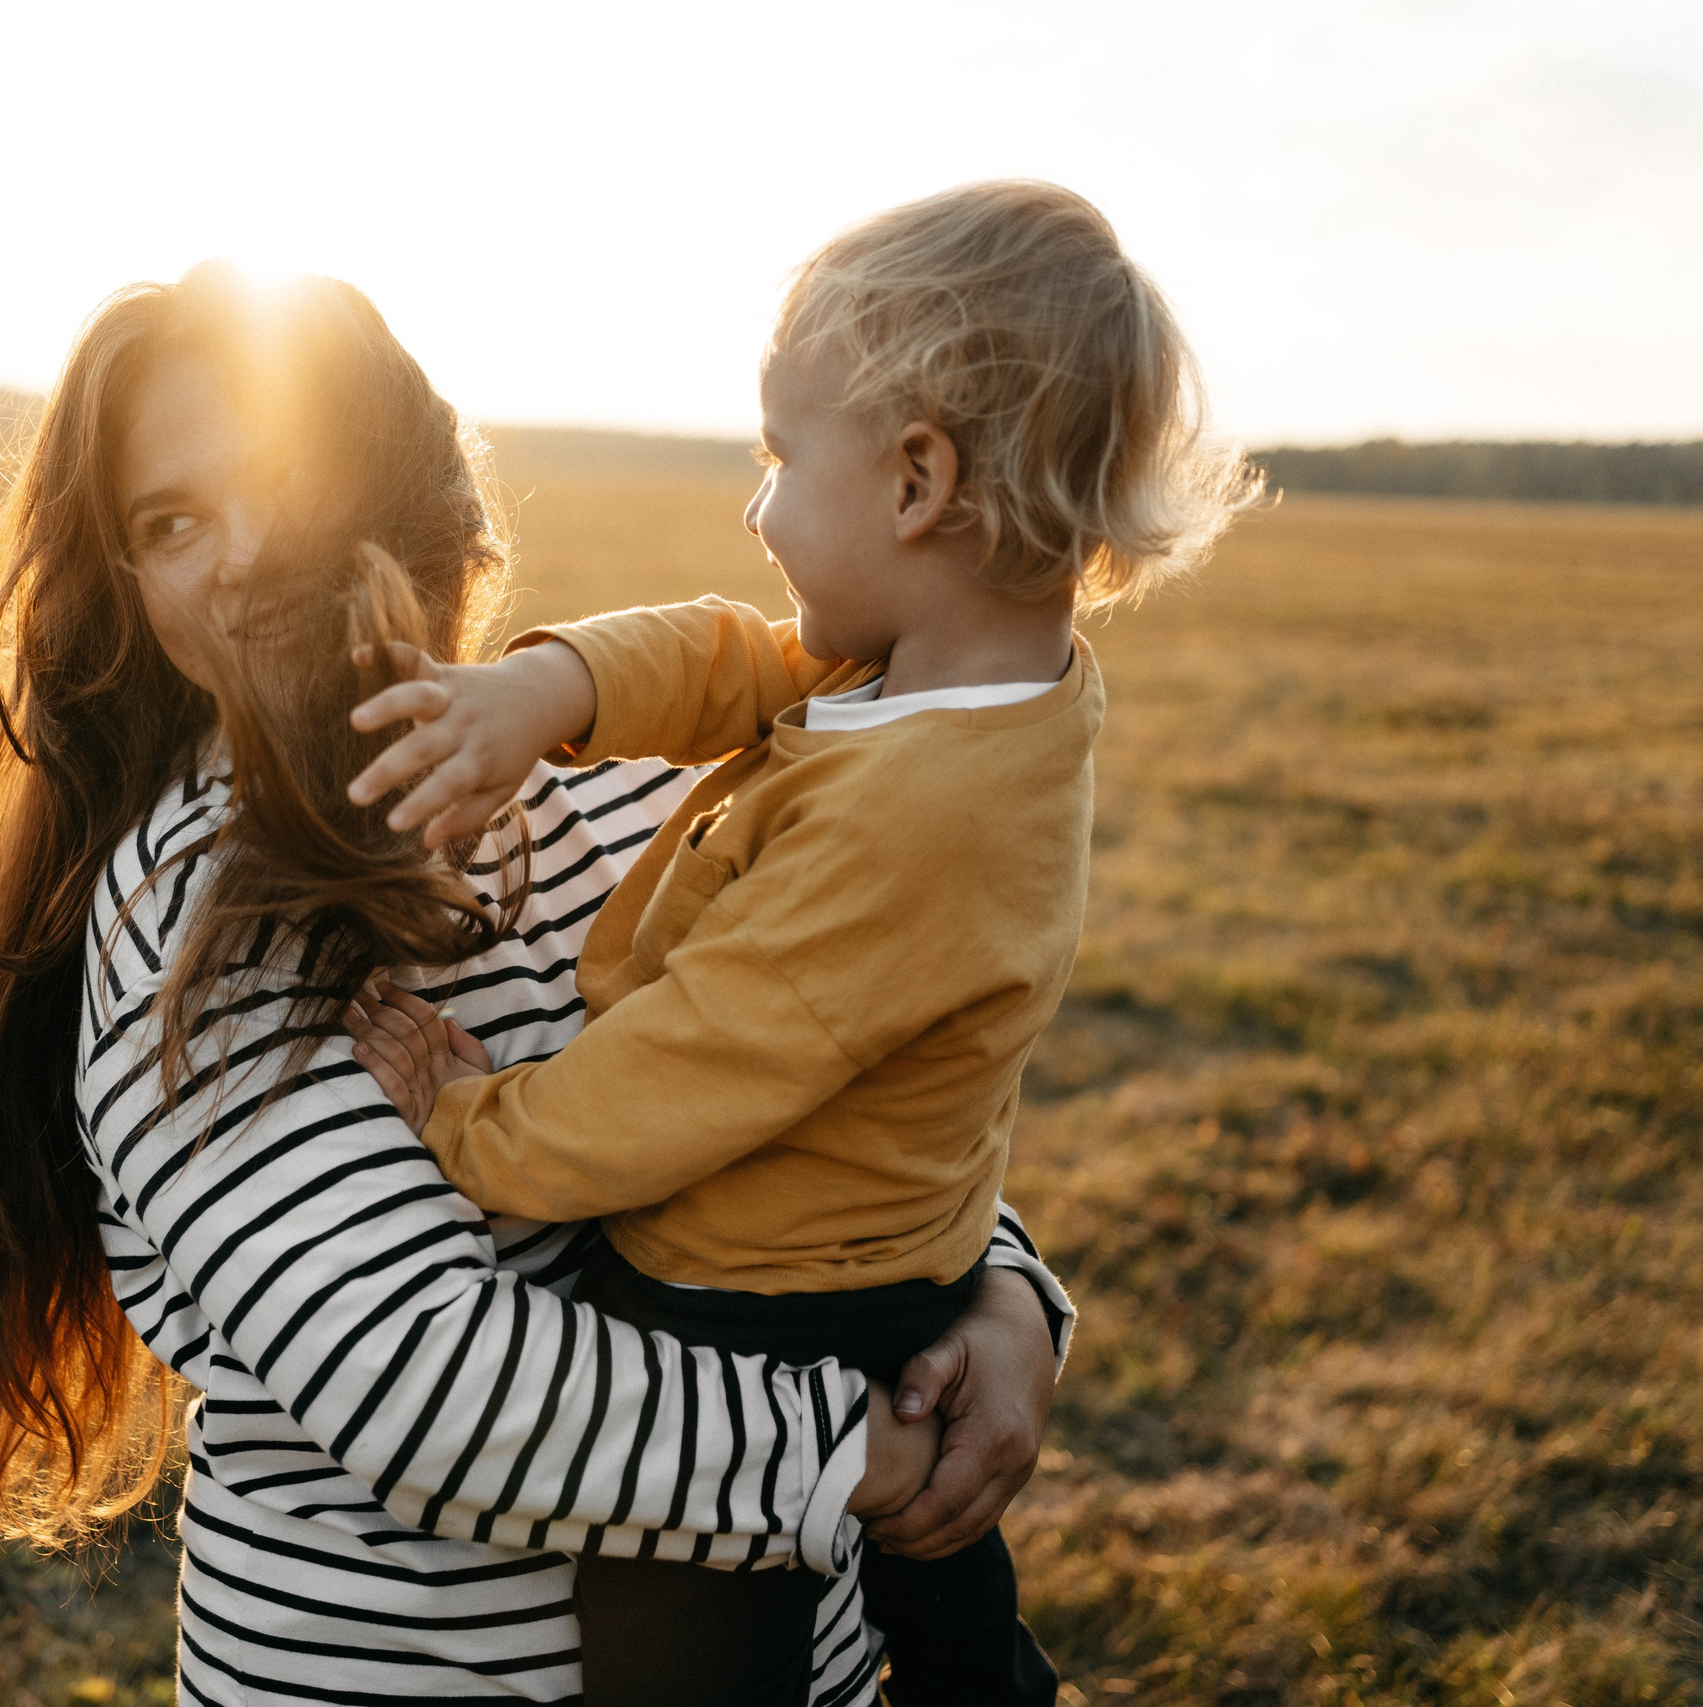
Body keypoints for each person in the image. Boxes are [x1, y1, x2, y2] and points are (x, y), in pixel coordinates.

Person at [0, 259, 1078, 1705]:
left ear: (409, 498)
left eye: (280, 476)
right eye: (170, 524)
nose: (233, 554)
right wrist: (863, 1449)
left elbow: (835, 1081)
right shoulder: (196, 926)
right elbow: (430, 1383)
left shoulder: (625, 793)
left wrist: (1004, 1300)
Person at [341, 181, 1261, 1705]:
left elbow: (691, 1065)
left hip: (755, 1297)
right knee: (942, 1584)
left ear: (917, 481)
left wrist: (462, 1117)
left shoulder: (919, 822)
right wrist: (548, 693)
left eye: (778, 458)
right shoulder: (971, 687)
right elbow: (736, 657)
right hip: (901, 1249)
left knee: (677, 1617)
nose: (755, 511)